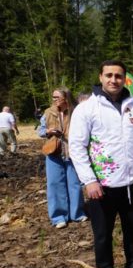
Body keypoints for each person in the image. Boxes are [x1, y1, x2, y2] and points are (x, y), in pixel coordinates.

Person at [69, 60, 133, 268]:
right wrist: (89, 180)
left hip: (132, 181)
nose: (113, 80)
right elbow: (77, 146)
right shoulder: (87, 109)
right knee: (103, 233)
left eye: (118, 76)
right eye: (109, 75)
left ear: (124, 79)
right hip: (102, 184)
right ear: (100, 77)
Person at [44, 87, 86, 229]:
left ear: (66, 97)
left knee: (74, 184)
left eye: (57, 97)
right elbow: (40, 130)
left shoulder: (76, 111)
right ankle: (58, 217)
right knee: (55, 184)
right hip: (53, 151)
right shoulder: (48, 112)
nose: (54, 100)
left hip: (72, 152)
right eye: (53, 97)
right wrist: (47, 131)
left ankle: (77, 213)